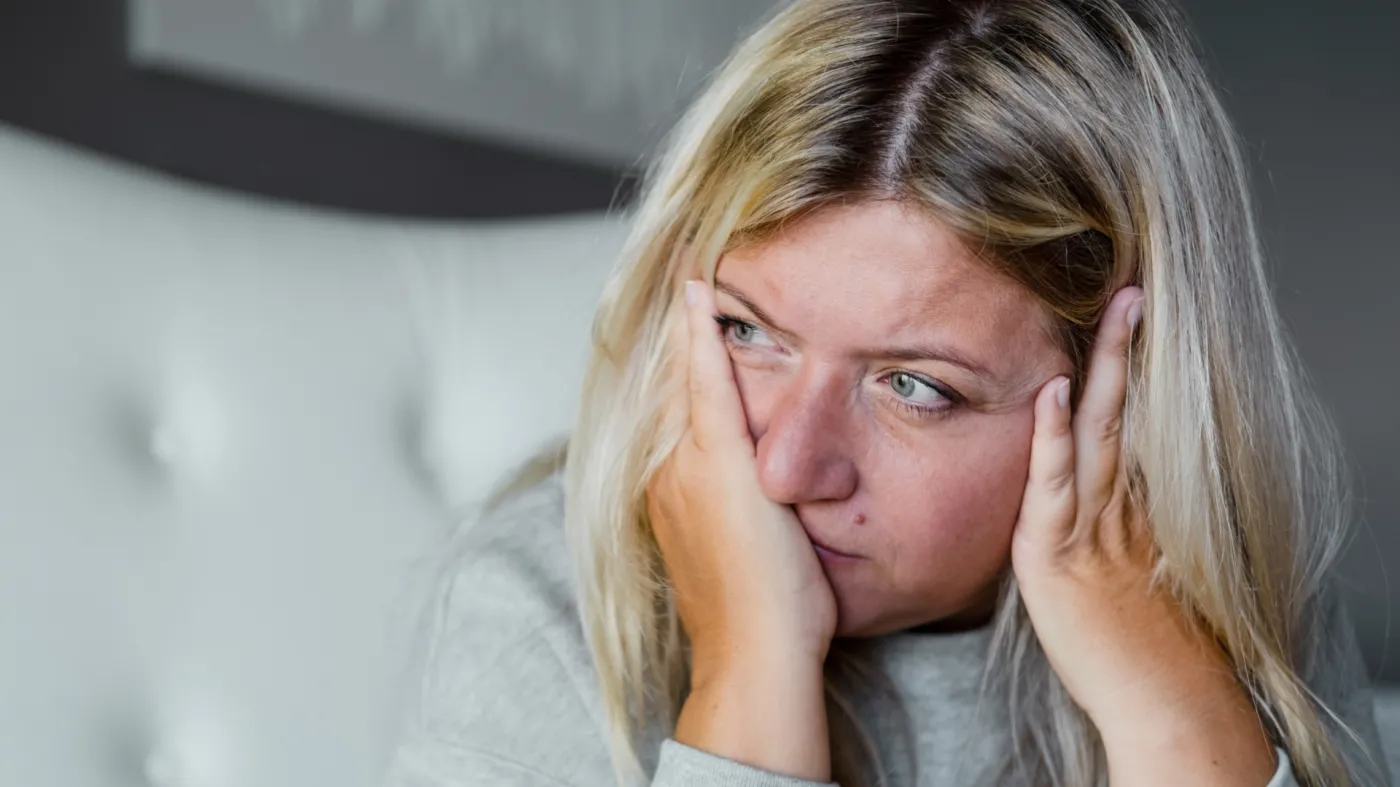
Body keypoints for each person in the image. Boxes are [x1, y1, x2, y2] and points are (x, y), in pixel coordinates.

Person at [381, 0, 1392, 785]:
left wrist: (1169, 709)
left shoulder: (1254, 608)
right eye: (747, 331)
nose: (784, 464)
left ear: (1119, 404)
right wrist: (746, 676)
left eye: (913, 385)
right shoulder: (538, 605)